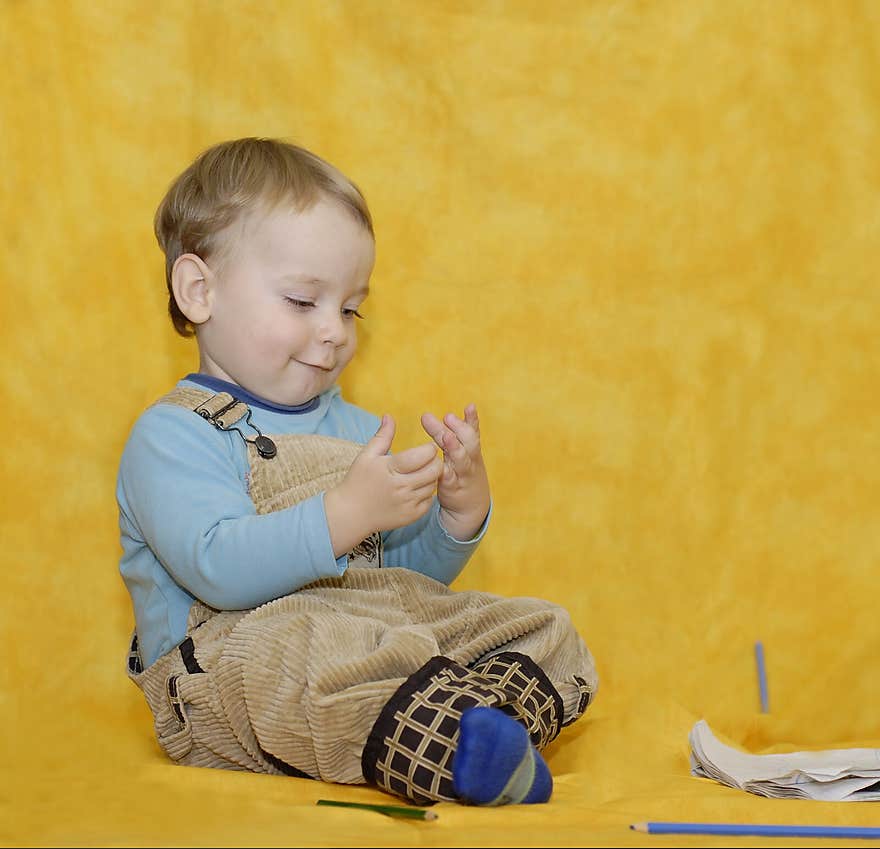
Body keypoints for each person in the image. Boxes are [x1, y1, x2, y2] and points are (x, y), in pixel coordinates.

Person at [117, 136, 598, 807]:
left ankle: (468, 734)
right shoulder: (174, 435)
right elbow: (217, 570)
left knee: (541, 626)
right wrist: (346, 514)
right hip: (226, 678)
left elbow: (399, 585)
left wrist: (456, 516)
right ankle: (450, 735)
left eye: (350, 308)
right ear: (201, 290)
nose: (335, 330)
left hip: (358, 646)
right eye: (302, 301)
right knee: (302, 643)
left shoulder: (353, 428)